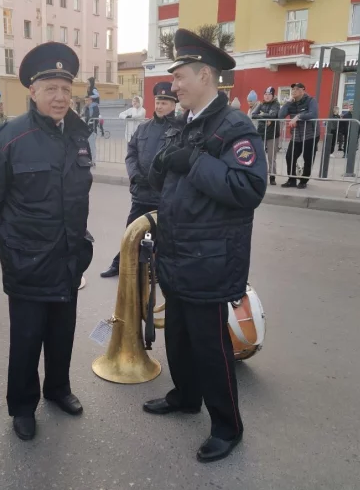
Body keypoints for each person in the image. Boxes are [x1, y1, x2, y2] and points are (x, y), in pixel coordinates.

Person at [145, 29, 266, 463]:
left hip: (210, 259)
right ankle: (184, 396)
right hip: (179, 252)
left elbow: (248, 187)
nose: (173, 85)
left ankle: (227, 427)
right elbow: (168, 181)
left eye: (179, 77)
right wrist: (162, 165)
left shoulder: (235, 126)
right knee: (177, 337)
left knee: (211, 349)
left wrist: (195, 162)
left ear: (205, 76)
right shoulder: (186, 122)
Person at [0, 42, 94, 442]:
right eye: (51, 89)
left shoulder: (78, 135)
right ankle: (22, 405)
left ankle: (58, 389)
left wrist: (81, 241)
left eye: (65, 89)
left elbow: (77, 198)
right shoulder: (8, 138)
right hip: (26, 260)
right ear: (33, 92)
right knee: (25, 340)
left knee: (62, 333)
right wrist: (7, 246)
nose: (60, 97)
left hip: (68, 258)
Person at [100, 81, 178, 278]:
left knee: (161, 237)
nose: (160, 106)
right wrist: (135, 175)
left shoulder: (180, 130)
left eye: (165, 102)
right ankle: (120, 265)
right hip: (141, 194)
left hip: (163, 196)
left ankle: (156, 270)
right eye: (158, 102)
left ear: (174, 104)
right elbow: (131, 154)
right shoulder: (143, 129)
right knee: (131, 234)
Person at [279, 82, 319, 189]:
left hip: (310, 134)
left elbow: (313, 114)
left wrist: (298, 117)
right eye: (293, 89)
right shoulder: (291, 103)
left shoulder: (311, 101)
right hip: (296, 135)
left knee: (308, 158)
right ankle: (291, 179)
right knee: (289, 157)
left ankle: (303, 180)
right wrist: (287, 103)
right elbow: (280, 115)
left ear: (303, 90)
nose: (294, 91)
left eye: (296, 89)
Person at [250, 86, 281, 186]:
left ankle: (272, 177)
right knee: (259, 155)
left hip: (272, 134)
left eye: (269, 94)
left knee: (272, 157)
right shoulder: (261, 104)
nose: (267, 96)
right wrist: (264, 116)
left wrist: (262, 114)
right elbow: (253, 114)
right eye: (265, 94)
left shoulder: (276, 104)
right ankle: (260, 175)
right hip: (262, 132)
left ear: (273, 95)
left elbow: (273, 115)